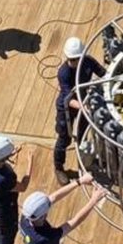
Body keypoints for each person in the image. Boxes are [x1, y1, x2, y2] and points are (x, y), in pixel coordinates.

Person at [53, 36, 105, 184]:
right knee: (64, 139)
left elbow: (103, 73)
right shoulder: (63, 73)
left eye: (76, 58)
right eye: (70, 59)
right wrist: (84, 107)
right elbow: (68, 98)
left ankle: (84, 162)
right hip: (67, 109)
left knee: (82, 137)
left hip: (84, 105)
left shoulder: (88, 62)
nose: (73, 62)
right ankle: (58, 167)